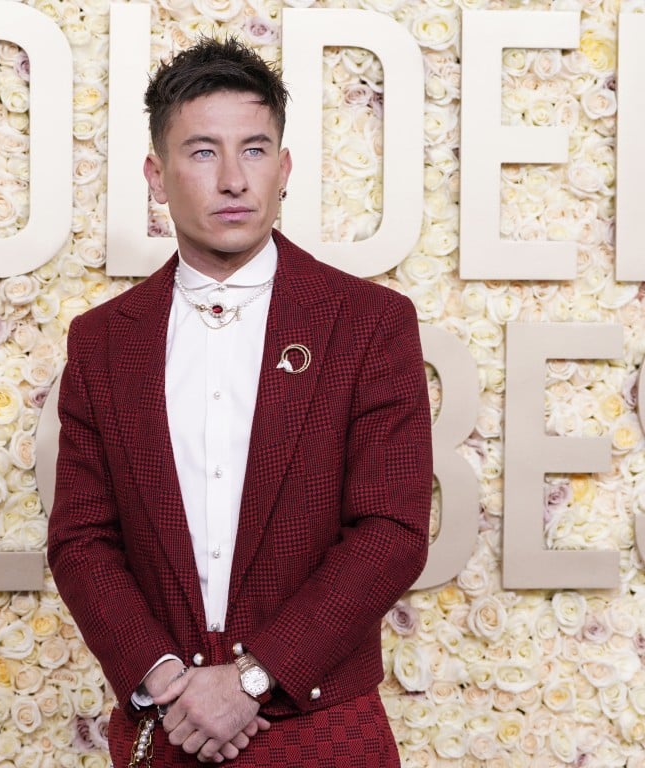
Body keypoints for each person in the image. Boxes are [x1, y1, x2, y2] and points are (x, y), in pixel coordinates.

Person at [47, 37, 432, 768]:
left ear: (283, 169)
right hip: (171, 725)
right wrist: (163, 677)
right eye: (202, 152)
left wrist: (255, 678)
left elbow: (392, 529)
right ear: (156, 177)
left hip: (324, 728)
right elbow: (81, 537)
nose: (232, 179)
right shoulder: (103, 342)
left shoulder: (368, 323)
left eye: (254, 150)